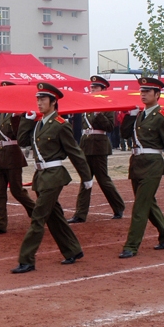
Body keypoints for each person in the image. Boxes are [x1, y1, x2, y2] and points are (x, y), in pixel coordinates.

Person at [10, 82, 91, 273]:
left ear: (53, 102)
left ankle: (26, 259)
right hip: (41, 176)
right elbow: (22, 141)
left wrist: (86, 177)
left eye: (43, 99)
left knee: (38, 217)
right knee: (54, 216)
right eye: (37, 99)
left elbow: (75, 152)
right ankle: (72, 250)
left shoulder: (61, 125)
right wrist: (27, 121)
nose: (39, 103)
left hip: (54, 176)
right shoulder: (39, 124)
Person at [118, 77, 164, 259]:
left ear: (157, 94)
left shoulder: (162, 117)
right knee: (148, 203)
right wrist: (129, 117)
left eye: (147, 91)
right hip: (136, 163)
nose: (143, 94)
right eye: (142, 91)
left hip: (152, 164)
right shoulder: (139, 115)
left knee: (140, 206)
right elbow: (124, 134)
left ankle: (131, 245)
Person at [68, 76, 126, 224]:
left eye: (96, 88)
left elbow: (110, 127)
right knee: (85, 179)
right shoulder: (87, 104)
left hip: (99, 145)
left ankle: (118, 207)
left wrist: (99, 114)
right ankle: (80, 214)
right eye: (92, 87)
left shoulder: (107, 105)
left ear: (103, 90)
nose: (92, 90)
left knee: (103, 179)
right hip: (86, 144)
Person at [0, 82, 35, 236]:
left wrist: (16, 118)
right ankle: (0, 224)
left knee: (17, 190)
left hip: (12, 154)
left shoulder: (17, 112)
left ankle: (37, 214)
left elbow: (20, 135)